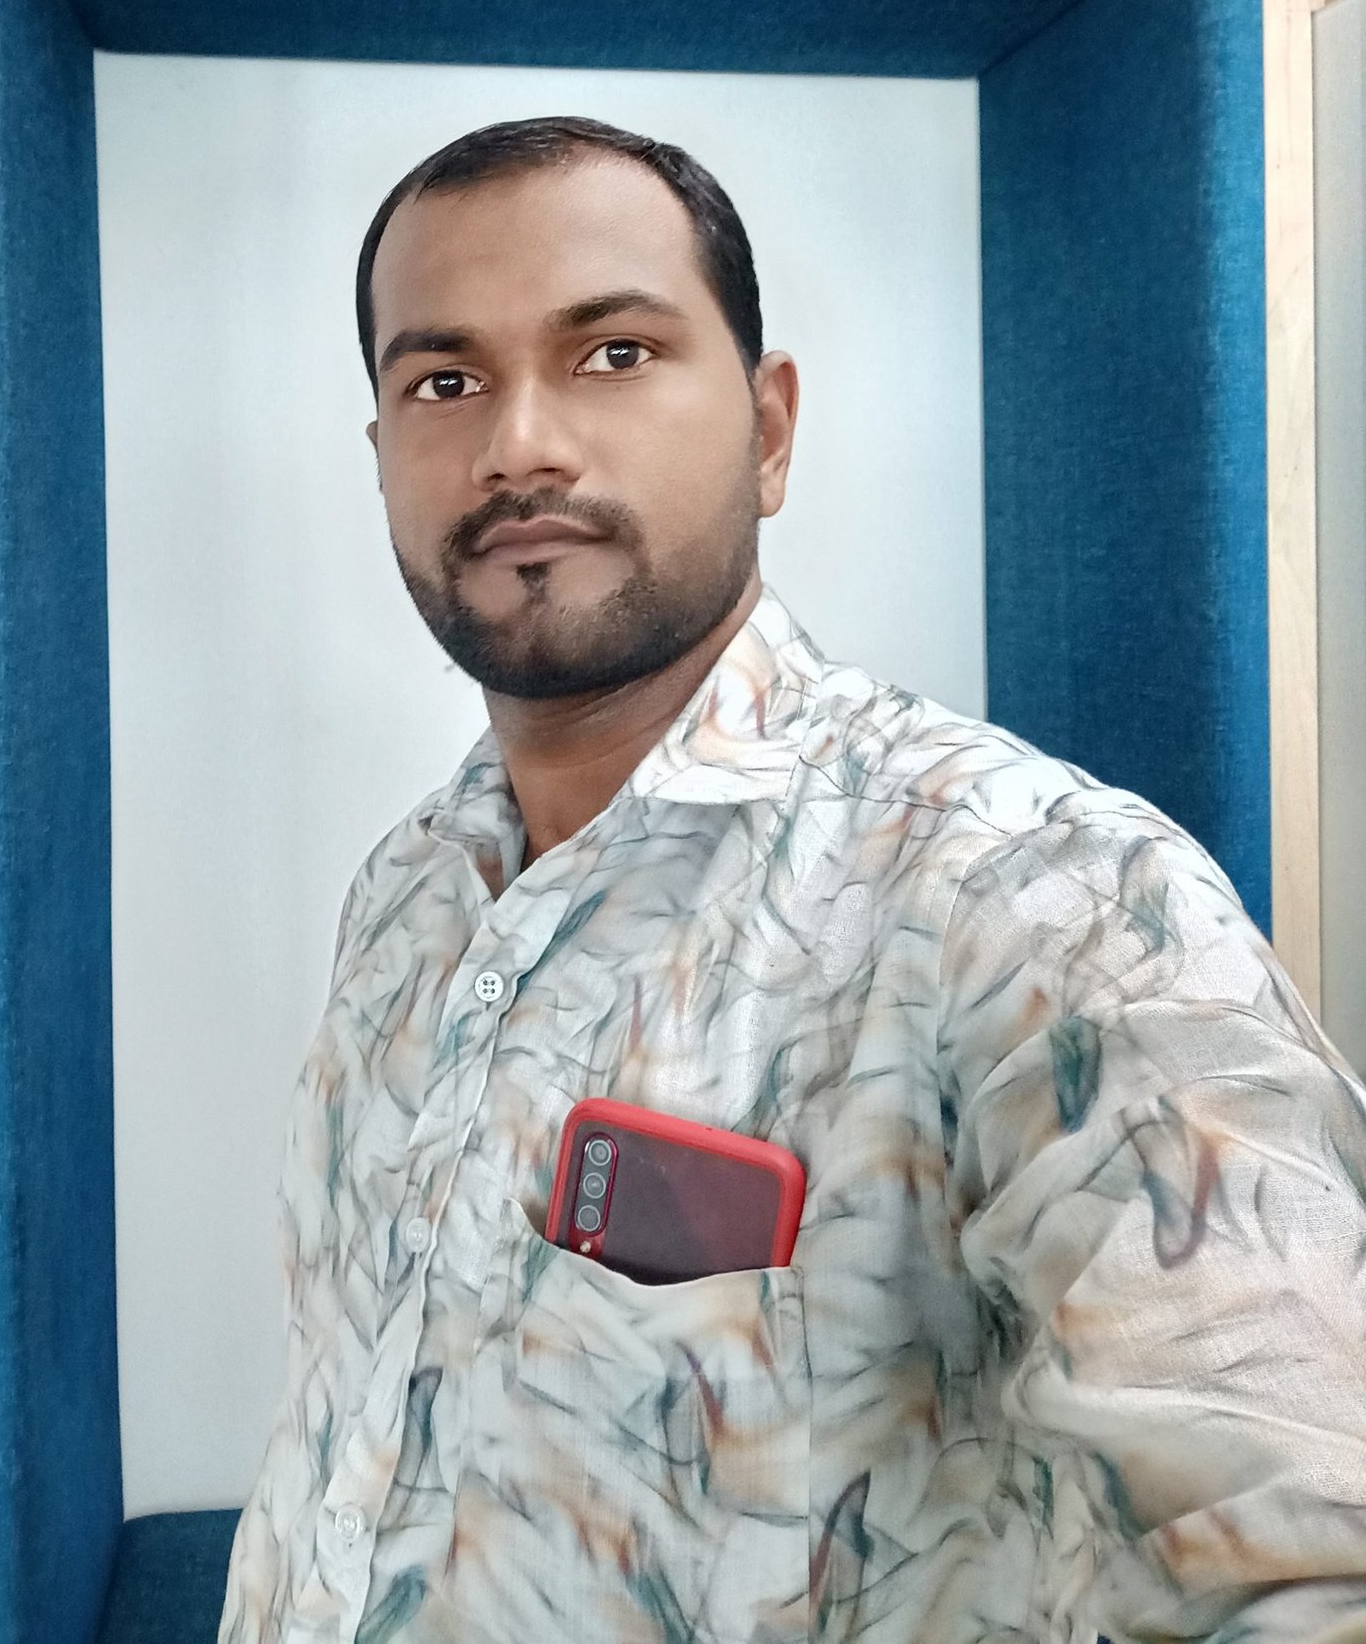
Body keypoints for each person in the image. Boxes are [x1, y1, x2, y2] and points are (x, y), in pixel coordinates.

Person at [218, 117, 1366, 1644]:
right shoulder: (409, 895)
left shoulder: (1045, 897)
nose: (519, 443)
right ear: (382, 459)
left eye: (613, 353)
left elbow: (1306, 1562)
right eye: (445, 381)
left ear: (769, 429)